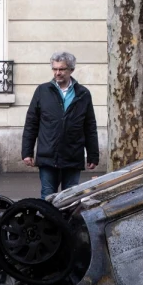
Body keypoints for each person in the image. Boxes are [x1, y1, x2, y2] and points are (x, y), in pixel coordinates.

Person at [21, 51, 100, 198]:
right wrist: (27, 152)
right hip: (48, 156)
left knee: (70, 198)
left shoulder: (83, 94)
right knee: (48, 197)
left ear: (71, 70)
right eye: (55, 69)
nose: (57, 73)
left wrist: (93, 155)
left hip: (72, 156)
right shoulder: (42, 91)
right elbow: (31, 123)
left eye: (62, 69)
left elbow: (89, 127)